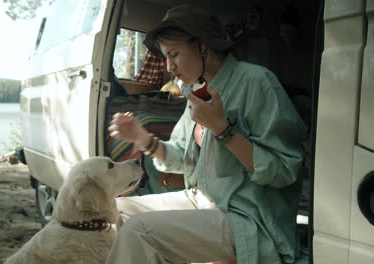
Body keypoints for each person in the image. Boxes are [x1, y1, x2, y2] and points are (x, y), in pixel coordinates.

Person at [107, 4, 307, 264]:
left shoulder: (256, 81)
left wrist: (223, 131)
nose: (170, 67)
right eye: (166, 57)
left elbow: (284, 170)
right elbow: (181, 159)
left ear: (202, 45)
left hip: (247, 217)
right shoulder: (197, 92)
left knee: (139, 230)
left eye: (174, 54)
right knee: (113, 212)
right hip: (202, 200)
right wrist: (141, 138)